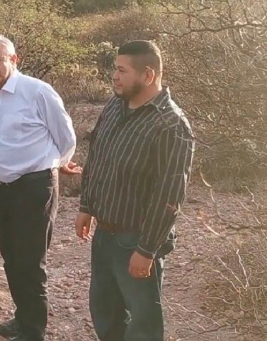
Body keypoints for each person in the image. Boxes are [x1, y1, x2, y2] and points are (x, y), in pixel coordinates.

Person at [75, 40, 195, 341]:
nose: (114, 76)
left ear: (148, 75)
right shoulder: (115, 104)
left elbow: (170, 195)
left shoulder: (171, 124)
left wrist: (146, 250)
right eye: (115, 69)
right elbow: (98, 155)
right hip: (105, 233)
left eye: (121, 70)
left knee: (143, 323)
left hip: (137, 238)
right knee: (105, 311)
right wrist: (86, 206)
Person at [0, 34, 81, 341]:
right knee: (11, 257)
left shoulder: (36, 91)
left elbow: (66, 135)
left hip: (35, 187)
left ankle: (34, 331)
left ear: (13, 60)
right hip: (4, 187)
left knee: (30, 260)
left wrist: (56, 162)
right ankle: (23, 318)